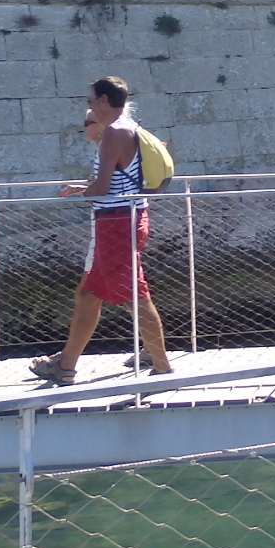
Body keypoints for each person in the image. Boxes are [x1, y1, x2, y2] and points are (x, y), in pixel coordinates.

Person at [30, 77, 172, 385]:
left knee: (135, 295)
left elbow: (103, 187)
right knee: (88, 293)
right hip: (123, 218)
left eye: (92, 100)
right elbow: (115, 180)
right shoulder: (127, 129)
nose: (89, 105)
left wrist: (85, 191)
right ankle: (65, 366)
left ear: (105, 101)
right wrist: (87, 188)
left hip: (117, 222)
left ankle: (163, 368)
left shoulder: (114, 133)